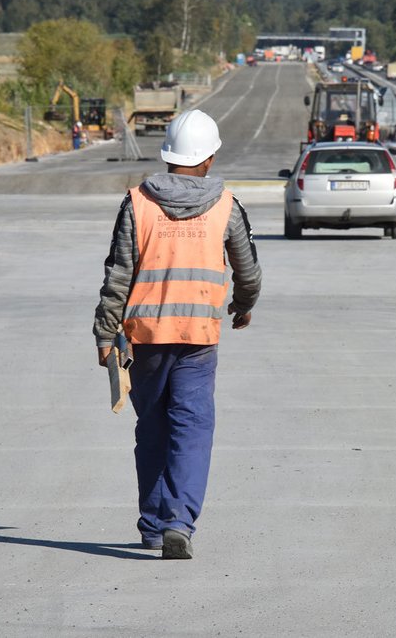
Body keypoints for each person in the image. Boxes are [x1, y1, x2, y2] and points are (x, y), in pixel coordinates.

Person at [93, 109, 262, 560]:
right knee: (191, 427)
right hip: (198, 338)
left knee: (152, 427)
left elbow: (117, 275)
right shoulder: (227, 205)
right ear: (208, 159)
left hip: (145, 339)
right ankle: (178, 523)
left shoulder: (137, 202)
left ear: (169, 157)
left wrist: (105, 334)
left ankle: (152, 524)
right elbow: (248, 270)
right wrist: (242, 307)